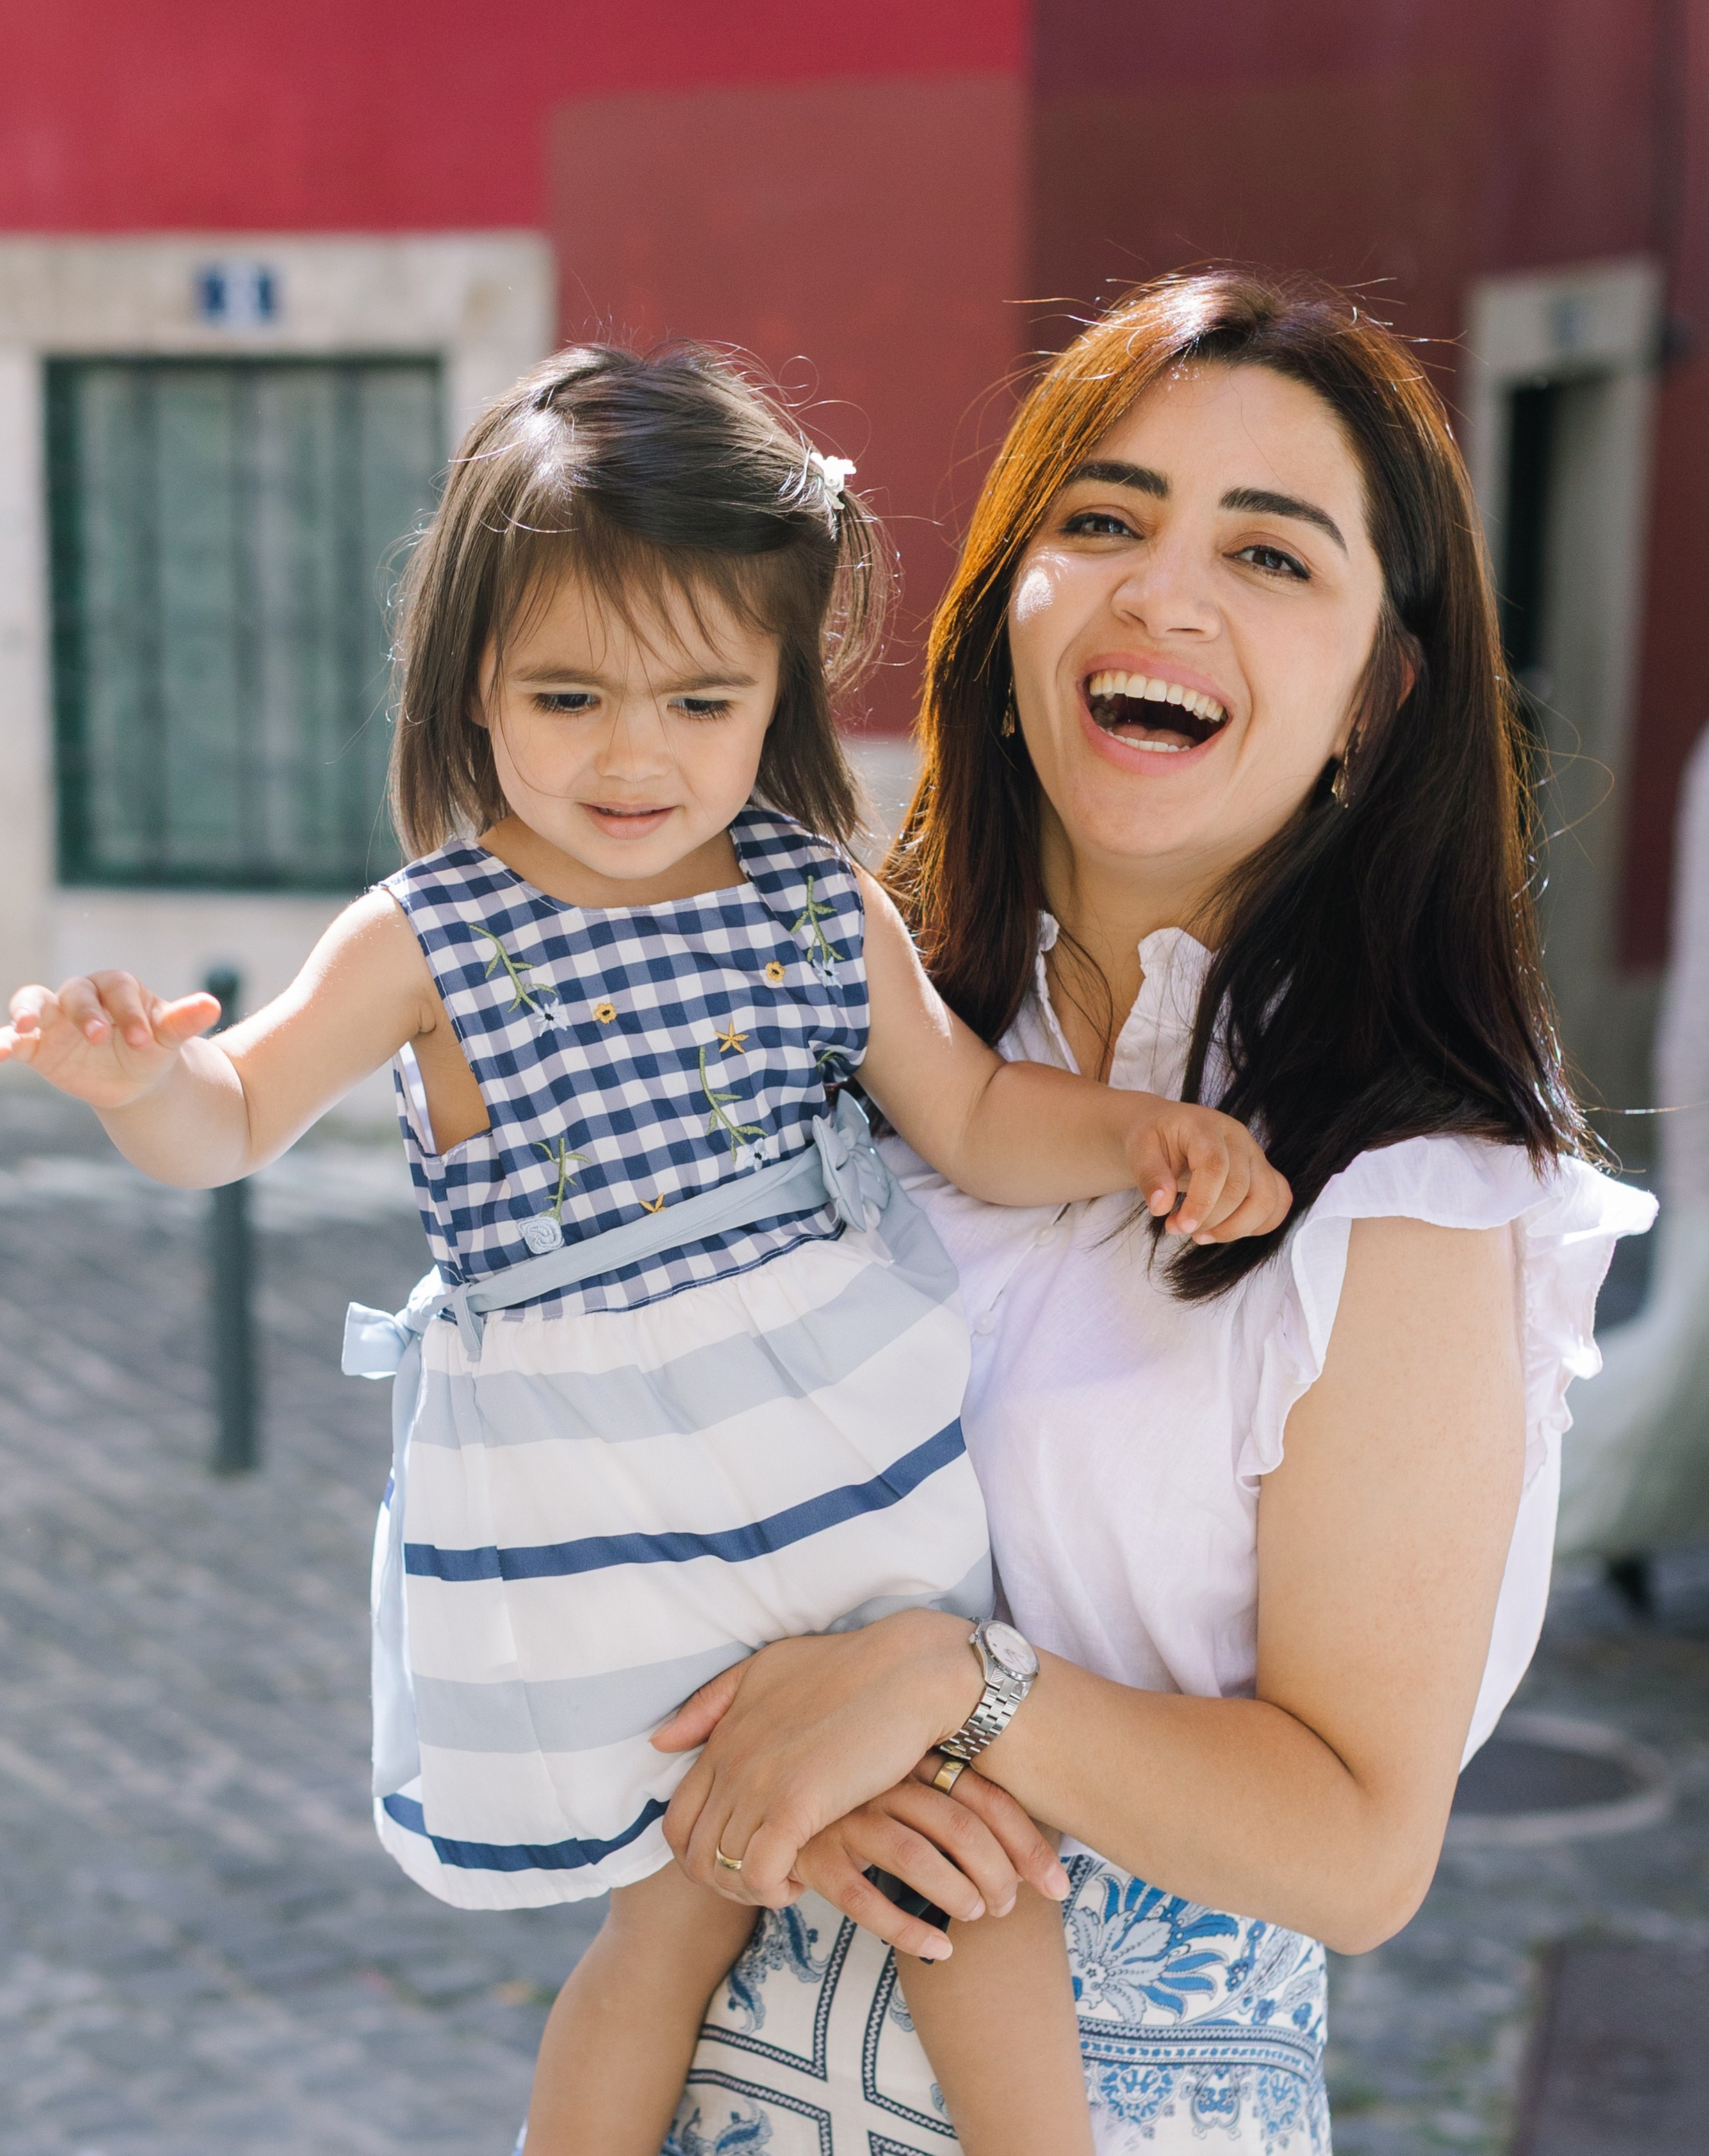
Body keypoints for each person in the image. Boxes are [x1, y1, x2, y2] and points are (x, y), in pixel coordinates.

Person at [0, 344, 1290, 2156]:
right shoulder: (425, 933)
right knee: (664, 1915)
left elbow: (980, 1117)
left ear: (777, 692)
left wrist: (1147, 1137)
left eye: (698, 700)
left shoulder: (812, 907)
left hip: (838, 1483)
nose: (629, 753)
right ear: (472, 687)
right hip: (588, 1514)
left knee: (963, 1868)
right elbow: (229, 1121)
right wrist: (139, 1077)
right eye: (569, 693)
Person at [648, 274, 1658, 2156]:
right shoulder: (817, 1045)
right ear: (1009, 613)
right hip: (716, 2070)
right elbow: (576, 1490)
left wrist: (949, 1690)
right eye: (1101, 522)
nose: (1164, 595)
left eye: (1271, 557)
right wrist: (791, 1762)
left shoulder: (1416, 1194)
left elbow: (1356, 1847)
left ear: (1383, 694)